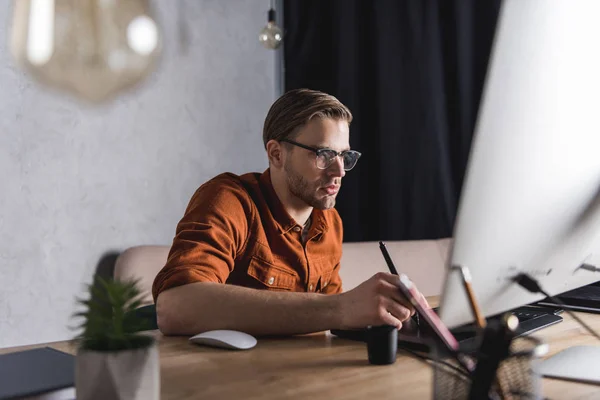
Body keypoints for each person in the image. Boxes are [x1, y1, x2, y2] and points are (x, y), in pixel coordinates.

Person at [153, 88, 429, 336]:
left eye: (345, 156)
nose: (339, 172)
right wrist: (341, 308)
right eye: (323, 154)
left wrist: (388, 319)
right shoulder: (229, 200)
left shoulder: (330, 222)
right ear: (276, 154)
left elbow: (331, 325)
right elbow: (175, 306)